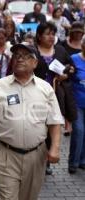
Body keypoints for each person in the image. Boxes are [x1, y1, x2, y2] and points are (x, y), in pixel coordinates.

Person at [0, 43, 63, 200]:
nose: (19, 59)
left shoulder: (46, 89)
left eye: (25, 56)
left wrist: (54, 148)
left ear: (35, 63)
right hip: (5, 155)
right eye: (16, 55)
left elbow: (54, 122)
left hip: (36, 156)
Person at [34, 22, 77, 174]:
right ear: (39, 36)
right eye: (47, 34)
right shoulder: (33, 51)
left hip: (55, 97)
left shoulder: (59, 50)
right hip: (35, 97)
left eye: (53, 33)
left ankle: (46, 161)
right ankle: (35, 159)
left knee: (52, 128)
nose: (51, 37)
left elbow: (72, 68)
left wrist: (66, 74)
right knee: (37, 129)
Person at [68, 35, 85, 174]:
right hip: (77, 101)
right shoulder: (74, 59)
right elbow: (67, 76)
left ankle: (82, 160)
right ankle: (73, 162)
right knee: (79, 131)